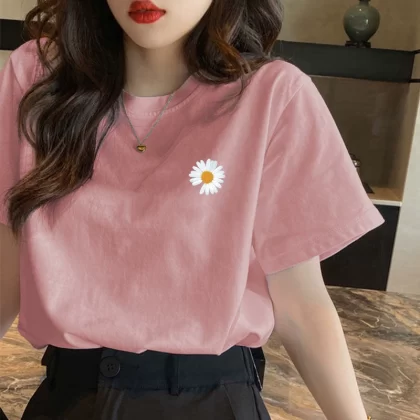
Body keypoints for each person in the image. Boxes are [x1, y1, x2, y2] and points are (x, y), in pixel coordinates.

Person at [0, 0, 382, 419]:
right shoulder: (39, 78)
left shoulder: (272, 95)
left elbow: (301, 304)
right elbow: (8, 258)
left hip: (212, 402)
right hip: (67, 400)